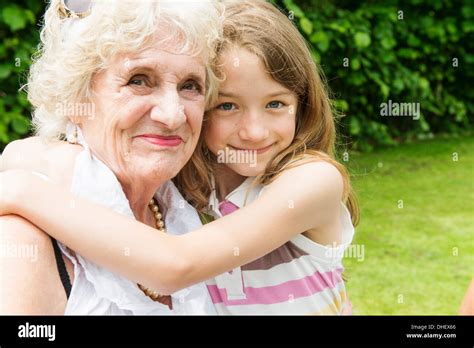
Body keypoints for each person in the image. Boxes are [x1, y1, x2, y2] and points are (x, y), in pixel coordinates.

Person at [1, 0, 358, 314]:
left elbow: (176, 264)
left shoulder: (312, 181)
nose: (254, 131)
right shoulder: (194, 183)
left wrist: (20, 191)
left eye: (190, 85)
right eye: (228, 105)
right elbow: (24, 152)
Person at [0, 0, 222, 314]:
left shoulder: (184, 215)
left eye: (190, 86)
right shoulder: (22, 240)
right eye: (139, 80)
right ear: (75, 94)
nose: (173, 115)